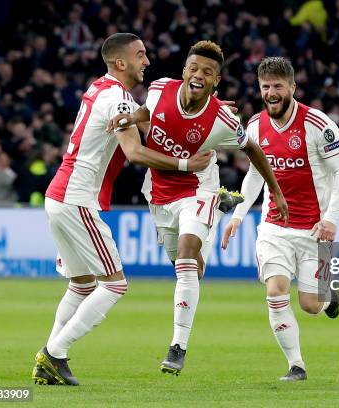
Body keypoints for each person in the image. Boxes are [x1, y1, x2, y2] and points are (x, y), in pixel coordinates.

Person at [32, 33, 213, 386]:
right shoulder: (118, 98)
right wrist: (186, 165)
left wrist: (208, 111)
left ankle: (50, 358)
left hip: (61, 195)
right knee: (114, 285)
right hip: (77, 198)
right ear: (120, 62)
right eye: (140, 55)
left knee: (83, 283)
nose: (147, 61)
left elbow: (155, 127)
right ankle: (54, 353)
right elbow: (136, 153)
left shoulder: (102, 90)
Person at [107, 41, 287, 376]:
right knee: (187, 265)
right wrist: (132, 115)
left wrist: (275, 190)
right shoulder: (160, 88)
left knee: (188, 255)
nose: (198, 75)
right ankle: (220, 207)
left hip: (197, 188)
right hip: (160, 193)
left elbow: (254, 149)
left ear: (216, 80)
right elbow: (151, 111)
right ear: (184, 71)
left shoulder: (221, 118)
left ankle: (177, 347)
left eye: (207, 71)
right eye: (194, 68)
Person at [221, 57, 339, 381]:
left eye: (278, 86)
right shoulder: (254, 127)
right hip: (274, 228)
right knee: (276, 290)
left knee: (310, 303)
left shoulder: (319, 125)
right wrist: (239, 214)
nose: (271, 92)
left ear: (292, 87)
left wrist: (332, 219)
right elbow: (254, 175)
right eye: (266, 87)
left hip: (315, 230)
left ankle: (327, 297)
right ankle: (297, 365)